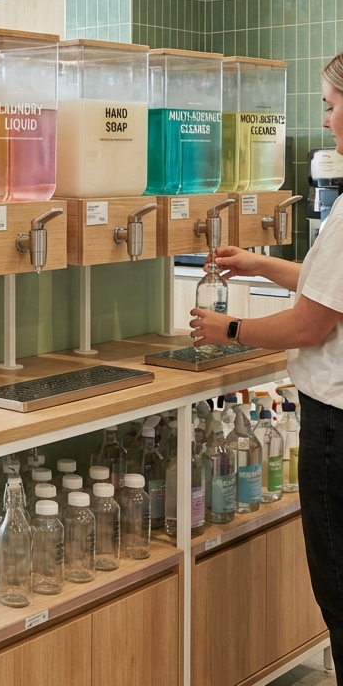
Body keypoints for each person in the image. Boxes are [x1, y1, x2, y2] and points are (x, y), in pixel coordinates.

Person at [190, 51, 343, 667]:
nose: (329, 121)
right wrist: (257, 263)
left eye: (331, 106)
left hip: (336, 426)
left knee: (337, 587)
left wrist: (229, 328)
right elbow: (323, 283)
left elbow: (313, 321)